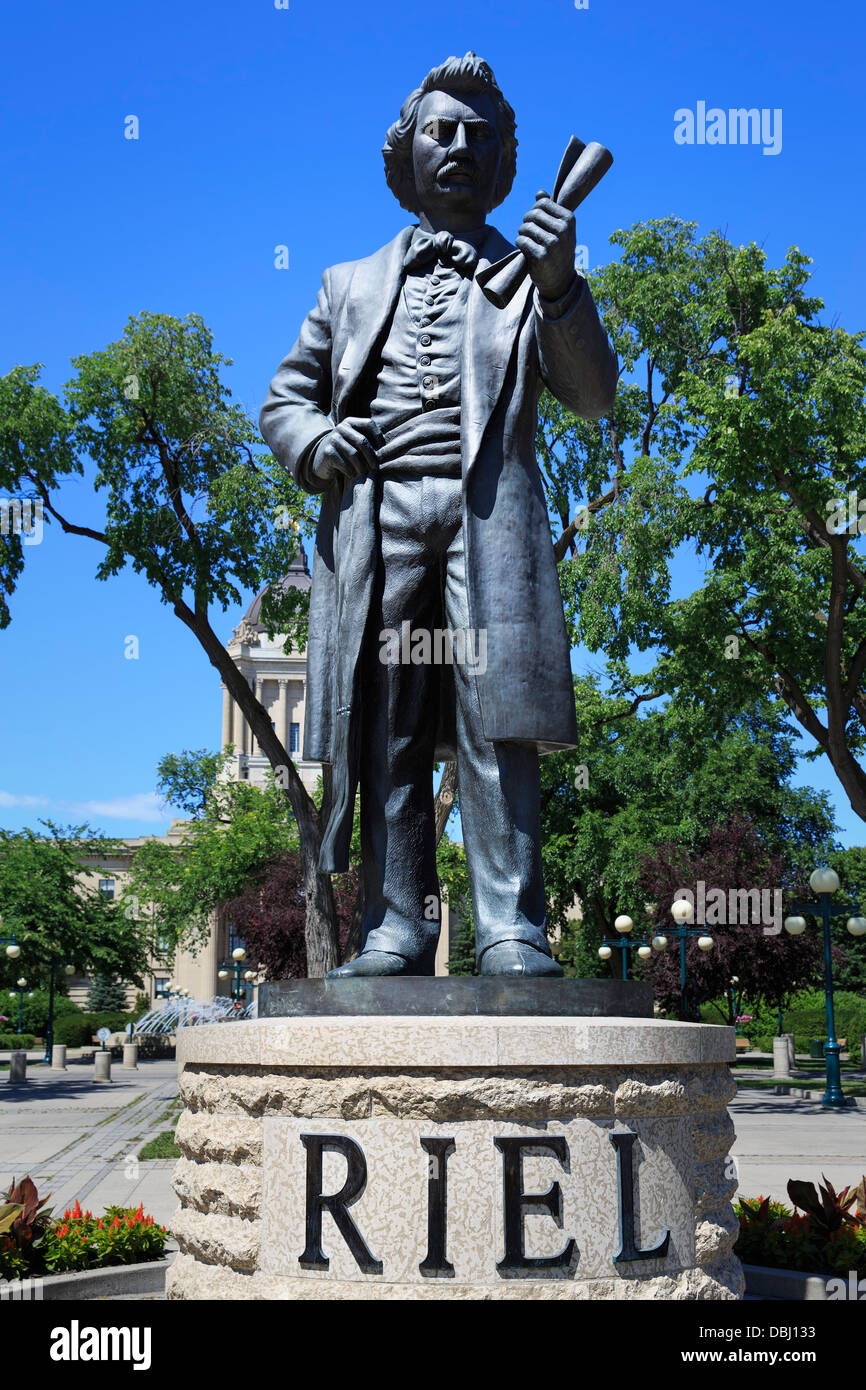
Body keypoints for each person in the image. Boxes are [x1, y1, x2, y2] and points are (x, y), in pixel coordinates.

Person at [260, 53, 617, 977]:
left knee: (495, 717)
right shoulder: (347, 284)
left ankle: (508, 927)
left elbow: (592, 393)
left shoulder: (534, 269)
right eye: (439, 131)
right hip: (378, 520)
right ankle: (396, 926)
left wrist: (562, 287)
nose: (457, 146)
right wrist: (314, 442)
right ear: (405, 155)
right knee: (388, 722)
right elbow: (285, 397)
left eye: (478, 136)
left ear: (504, 164)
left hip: (485, 517)